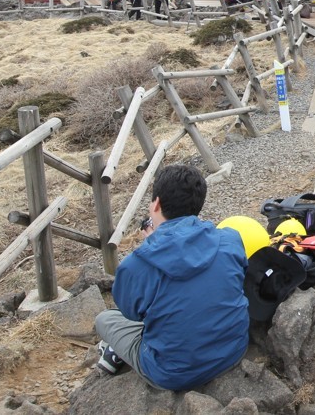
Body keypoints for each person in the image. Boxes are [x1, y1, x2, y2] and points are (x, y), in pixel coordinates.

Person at [94, 165, 248, 390]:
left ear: (156, 204)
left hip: (174, 374)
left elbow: (131, 313)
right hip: (234, 350)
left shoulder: (136, 265)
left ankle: (118, 353)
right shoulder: (230, 239)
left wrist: (153, 244)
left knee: (105, 319)